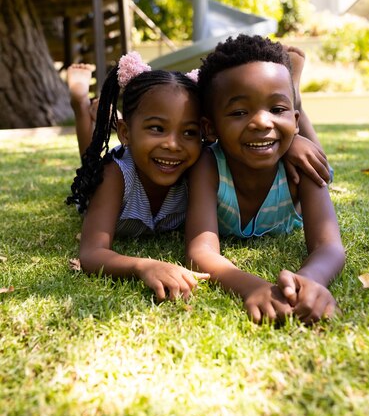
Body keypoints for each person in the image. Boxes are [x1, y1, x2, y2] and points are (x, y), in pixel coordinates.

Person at [185, 34, 346, 325]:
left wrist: (308, 280)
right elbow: (201, 251)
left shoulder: (301, 174)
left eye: (277, 109)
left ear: (293, 121)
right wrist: (254, 286)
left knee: (315, 158)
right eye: (239, 112)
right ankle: (291, 95)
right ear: (210, 128)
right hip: (282, 140)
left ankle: (295, 97)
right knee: (297, 146)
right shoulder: (208, 165)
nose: (261, 121)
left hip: (295, 152)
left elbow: (330, 246)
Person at [67, 52, 209, 302]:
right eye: (157, 128)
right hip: (114, 169)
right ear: (124, 133)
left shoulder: (197, 172)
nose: (173, 145)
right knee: (91, 163)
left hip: (135, 147)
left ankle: (110, 115)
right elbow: (91, 253)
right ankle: (80, 102)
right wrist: (143, 266)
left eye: (189, 132)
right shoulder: (115, 175)